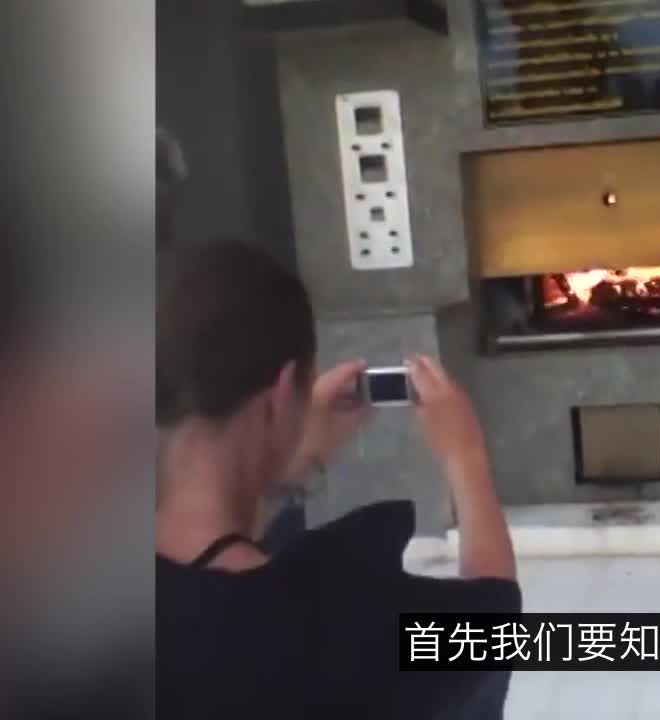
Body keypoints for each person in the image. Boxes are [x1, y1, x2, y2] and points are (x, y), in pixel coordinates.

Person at [155, 240, 519, 719]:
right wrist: (466, 457)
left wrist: (298, 453)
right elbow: (492, 630)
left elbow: (215, 545)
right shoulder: (334, 620)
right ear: (282, 391)